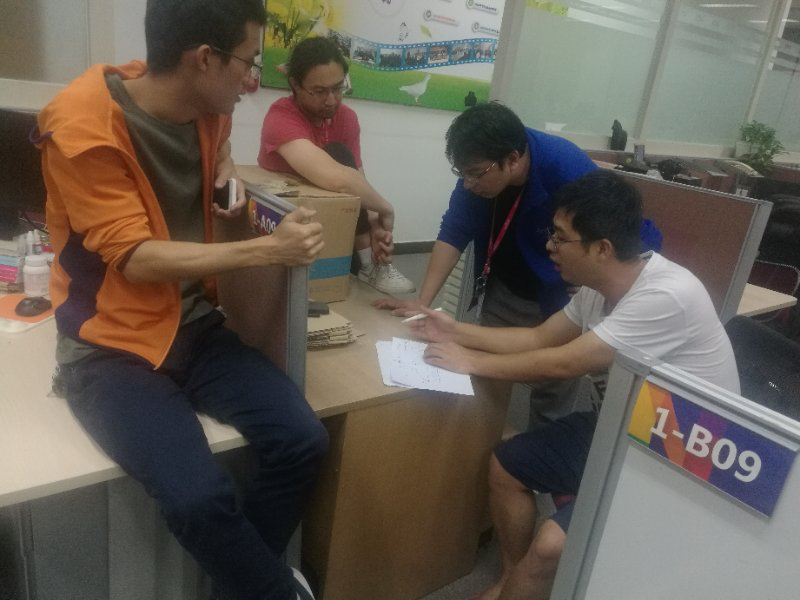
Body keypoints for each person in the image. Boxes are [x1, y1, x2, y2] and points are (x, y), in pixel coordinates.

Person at [37, 1, 325, 599]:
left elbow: (222, 152)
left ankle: (246, 587)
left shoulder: (208, 108)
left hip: (193, 325)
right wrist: (266, 250)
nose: (253, 80)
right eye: (248, 62)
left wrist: (230, 176)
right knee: (198, 496)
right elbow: (135, 257)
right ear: (203, 59)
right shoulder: (82, 126)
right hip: (108, 347)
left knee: (304, 440)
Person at [409, 170, 740, 600]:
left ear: (602, 248)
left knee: (549, 546)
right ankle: (513, 577)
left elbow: (563, 363)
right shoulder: (597, 287)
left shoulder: (666, 295)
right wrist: (453, 330)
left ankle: (529, 578)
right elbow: (538, 338)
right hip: (622, 429)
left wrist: (470, 362)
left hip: (679, 459)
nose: (549, 245)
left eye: (560, 237)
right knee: (506, 465)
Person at [374, 101, 600, 424]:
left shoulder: (566, 167)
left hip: (558, 294)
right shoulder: (479, 167)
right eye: (461, 173)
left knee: (552, 389)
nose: (467, 183)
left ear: (513, 159)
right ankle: (486, 441)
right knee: (486, 378)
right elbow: (454, 230)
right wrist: (423, 302)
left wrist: (591, 286)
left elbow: (619, 234)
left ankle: (539, 446)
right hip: (504, 284)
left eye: (475, 173)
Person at [258, 37, 415, 295]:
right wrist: (386, 207)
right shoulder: (280, 117)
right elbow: (337, 178)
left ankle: (371, 264)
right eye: (319, 91)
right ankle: (367, 265)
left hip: (338, 228)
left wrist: (376, 225)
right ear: (295, 84)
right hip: (290, 228)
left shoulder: (347, 118)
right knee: (337, 155)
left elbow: (357, 179)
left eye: (338, 88)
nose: (332, 100)